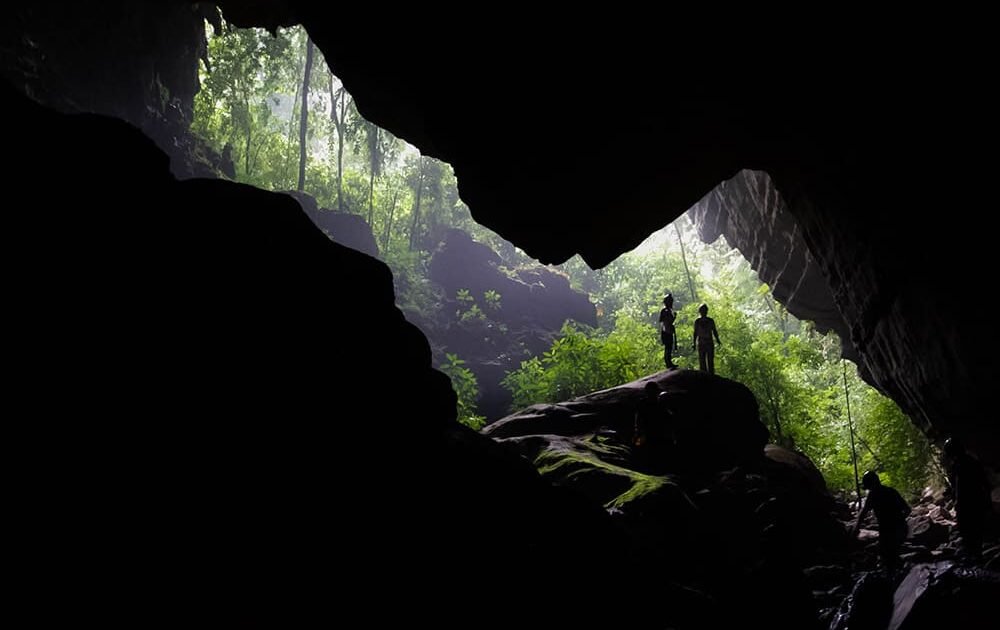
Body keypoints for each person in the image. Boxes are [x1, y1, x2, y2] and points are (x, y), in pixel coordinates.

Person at [852, 470, 910, 577]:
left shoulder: (873, 495)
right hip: (901, 529)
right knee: (891, 555)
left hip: (888, 532)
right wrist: (899, 520)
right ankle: (902, 573)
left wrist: (856, 528)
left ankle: (897, 579)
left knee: (887, 558)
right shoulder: (891, 491)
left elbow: (863, 513)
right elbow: (907, 510)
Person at [943, 437, 992, 560]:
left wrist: (957, 504)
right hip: (979, 501)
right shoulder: (972, 461)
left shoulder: (958, 466)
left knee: (969, 536)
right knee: (980, 533)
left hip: (967, 506)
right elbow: (985, 483)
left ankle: (977, 560)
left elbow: (960, 487)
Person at [692, 304, 721, 374]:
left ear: (706, 311)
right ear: (700, 311)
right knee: (702, 361)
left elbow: (714, 331)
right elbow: (695, 333)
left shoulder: (710, 321)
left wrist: (717, 340)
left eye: (704, 310)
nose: (703, 312)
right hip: (701, 342)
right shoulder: (697, 321)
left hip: (709, 342)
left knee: (710, 360)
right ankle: (704, 377)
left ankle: (711, 376)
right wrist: (694, 343)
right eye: (702, 310)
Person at [658, 294, 678, 369]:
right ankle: (668, 363)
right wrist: (674, 317)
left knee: (669, 347)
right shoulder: (665, 311)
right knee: (668, 347)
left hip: (667, 331)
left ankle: (669, 362)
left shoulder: (667, 310)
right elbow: (667, 321)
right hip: (666, 331)